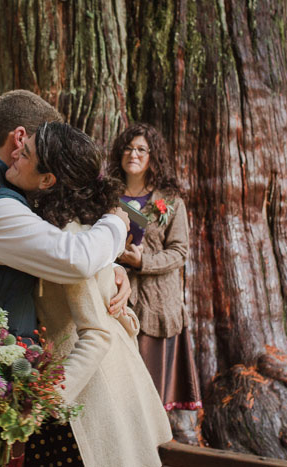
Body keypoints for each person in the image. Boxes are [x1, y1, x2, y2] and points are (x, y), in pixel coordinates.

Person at [0, 90, 131, 467]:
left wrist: (115, 269)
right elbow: (74, 257)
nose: (22, 154)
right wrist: (118, 220)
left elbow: (60, 249)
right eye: (30, 144)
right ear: (19, 139)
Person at [17, 122, 172, 467]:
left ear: (49, 180)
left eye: (24, 152)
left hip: (85, 389)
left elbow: (96, 335)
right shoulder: (67, 224)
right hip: (94, 376)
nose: (14, 155)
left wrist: (47, 402)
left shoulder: (68, 236)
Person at [109, 123, 202, 444]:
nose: (132, 154)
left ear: (152, 156)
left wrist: (143, 262)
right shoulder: (107, 195)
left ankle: (160, 445)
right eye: (127, 148)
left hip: (156, 305)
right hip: (113, 300)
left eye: (140, 149)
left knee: (151, 382)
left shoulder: (170, 201)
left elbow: (179, 252)